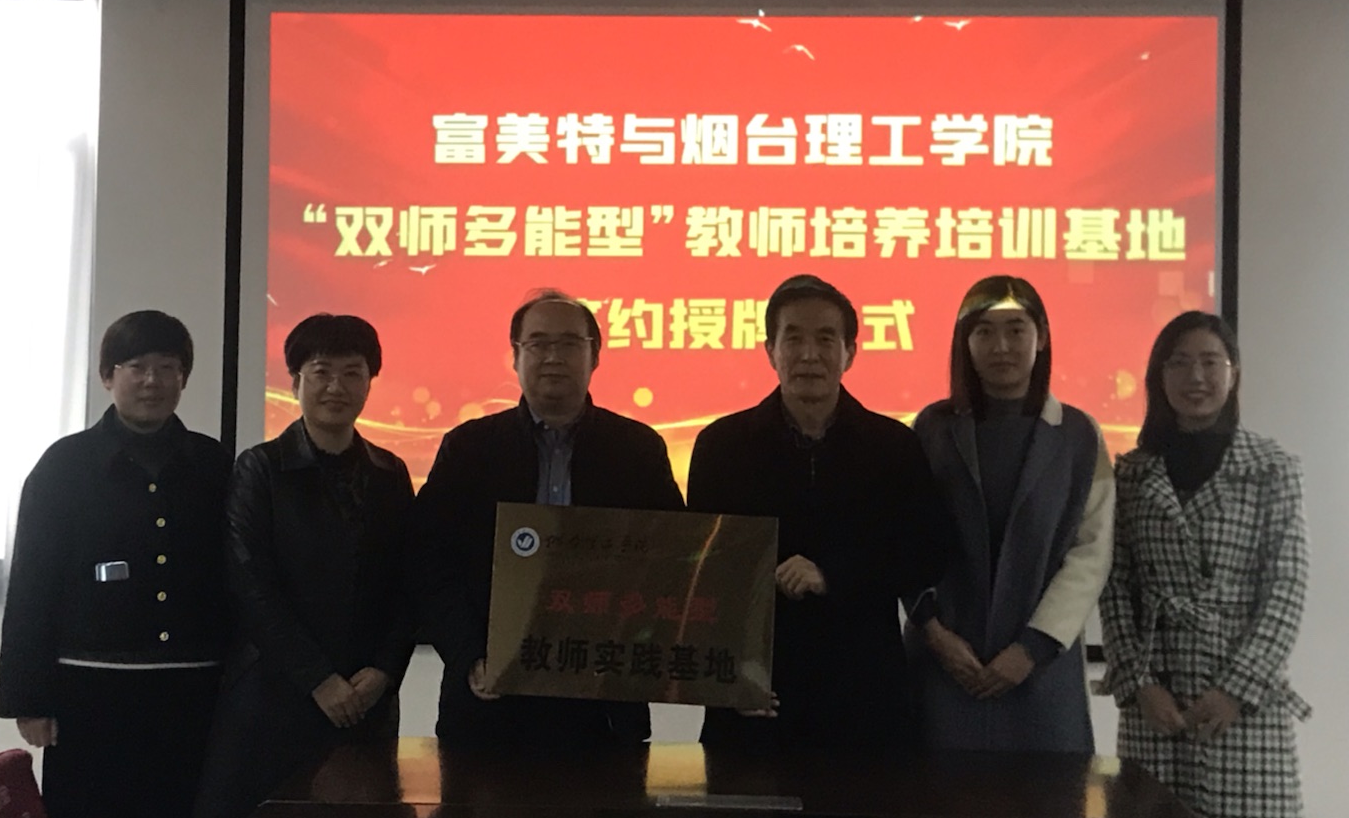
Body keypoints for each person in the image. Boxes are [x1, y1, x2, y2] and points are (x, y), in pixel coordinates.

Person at [0, 310, 232, 818]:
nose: (152, 381)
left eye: (167, 367)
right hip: (88, 697)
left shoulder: (214, 465)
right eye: (137, 367)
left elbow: (236, 578)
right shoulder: (63, 467)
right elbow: (32, 585)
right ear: (108, 376)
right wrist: (28, 698)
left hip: (190, 697)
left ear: (183, 378)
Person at [686, 274, 951, 750]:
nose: (809, 354)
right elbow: (702, 573)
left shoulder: (893, 446)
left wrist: (833, 575)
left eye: (826, 339)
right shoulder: (721, 447)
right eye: (793, 338)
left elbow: (927, 554)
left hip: (864, 697)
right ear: (770, 351)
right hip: (755, 698)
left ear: (850, 352)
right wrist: (726, 680)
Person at [415, 289, 684, 747]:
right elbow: (428, 563)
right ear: (515, 356)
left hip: (604, 707)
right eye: (538, 343)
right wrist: (468, 655)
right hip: (488, 701)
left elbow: (673, 560)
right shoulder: (469, 448)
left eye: (569, 343)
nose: (553, 357)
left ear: (595, 355)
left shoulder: (637, 450)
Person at [188, 314, 417, 818]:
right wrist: (318, 678)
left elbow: (409, 583)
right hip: (273, 696)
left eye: (352, 373)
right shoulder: (260, 470)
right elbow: (250, 584)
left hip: (365, 700)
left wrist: (384, 670)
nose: (336, 387)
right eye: (321, 372)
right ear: (294, 381)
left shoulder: (390, 474)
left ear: (370, 382)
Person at [1100, 311, 1309, 818]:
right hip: (1157, 704)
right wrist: (1139, 684)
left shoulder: (1272, 468)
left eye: (1211, 362)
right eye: (1180, 363)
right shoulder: (1132, 474)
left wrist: (1235, 690)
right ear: (1160, 377)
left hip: (1244, 707)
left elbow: (1286, 588)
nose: (1196, 377)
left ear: (1233, 372)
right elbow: (1116, 586)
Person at [908, 275, 1113, 752]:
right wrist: (934, 633)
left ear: (1041, 337)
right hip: (944, 666)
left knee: (1048, 799)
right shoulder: (932, 429)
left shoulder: (1078, 435)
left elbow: (1091, 550)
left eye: (1016, 330)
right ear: (965, 343)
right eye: (984, 331)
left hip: (1040, 677)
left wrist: (1032, 648)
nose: (1001, 346)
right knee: (936, 798)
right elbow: (903, 536)